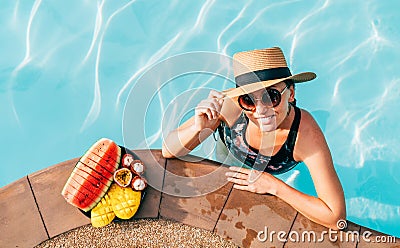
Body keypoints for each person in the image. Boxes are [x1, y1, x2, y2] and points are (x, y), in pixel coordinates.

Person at [162, 47, 346, 230]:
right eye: (249, 100)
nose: (260, 111)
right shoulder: (229, 107)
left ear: (291, 93)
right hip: (230, 157)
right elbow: (168, 151)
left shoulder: (304, 136)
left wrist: (274, 186)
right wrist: (197, 128)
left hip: (271, 175)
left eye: (271, 97)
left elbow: (336, 217)